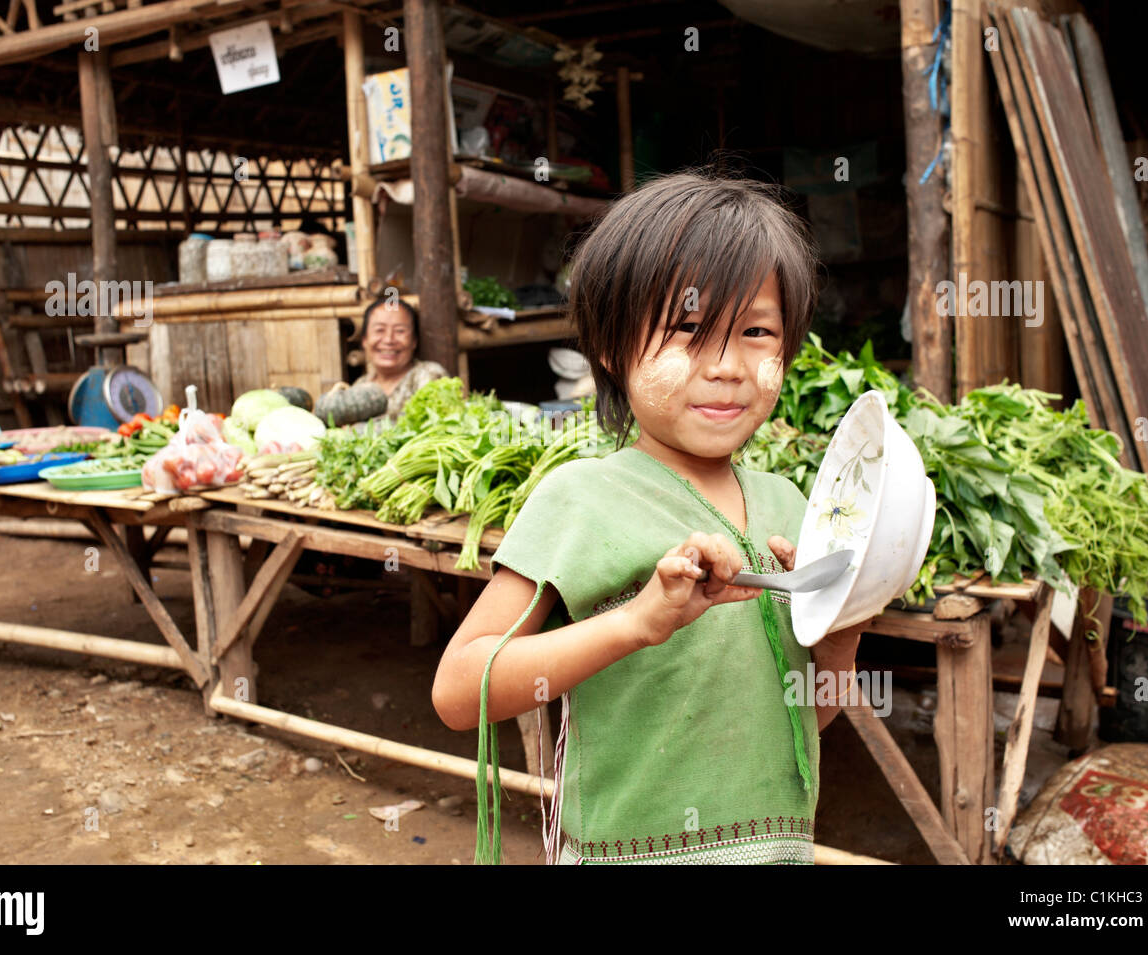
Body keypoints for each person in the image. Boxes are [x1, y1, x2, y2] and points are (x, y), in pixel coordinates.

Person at [431, 169, 868, 865]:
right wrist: (635, 624)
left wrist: (842, 637)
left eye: (756, 330)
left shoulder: (791, 504)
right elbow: (459, 689)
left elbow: (801, 716)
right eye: (688, 330)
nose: (726, 364)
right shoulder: (581, 499)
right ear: (610, 346)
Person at [340, 297, 448, 423]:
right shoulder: (360, 385)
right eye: (379, 330)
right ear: (365, 340)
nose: (388, 340)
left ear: (414, 341)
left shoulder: (428, 375)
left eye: (400, 331)